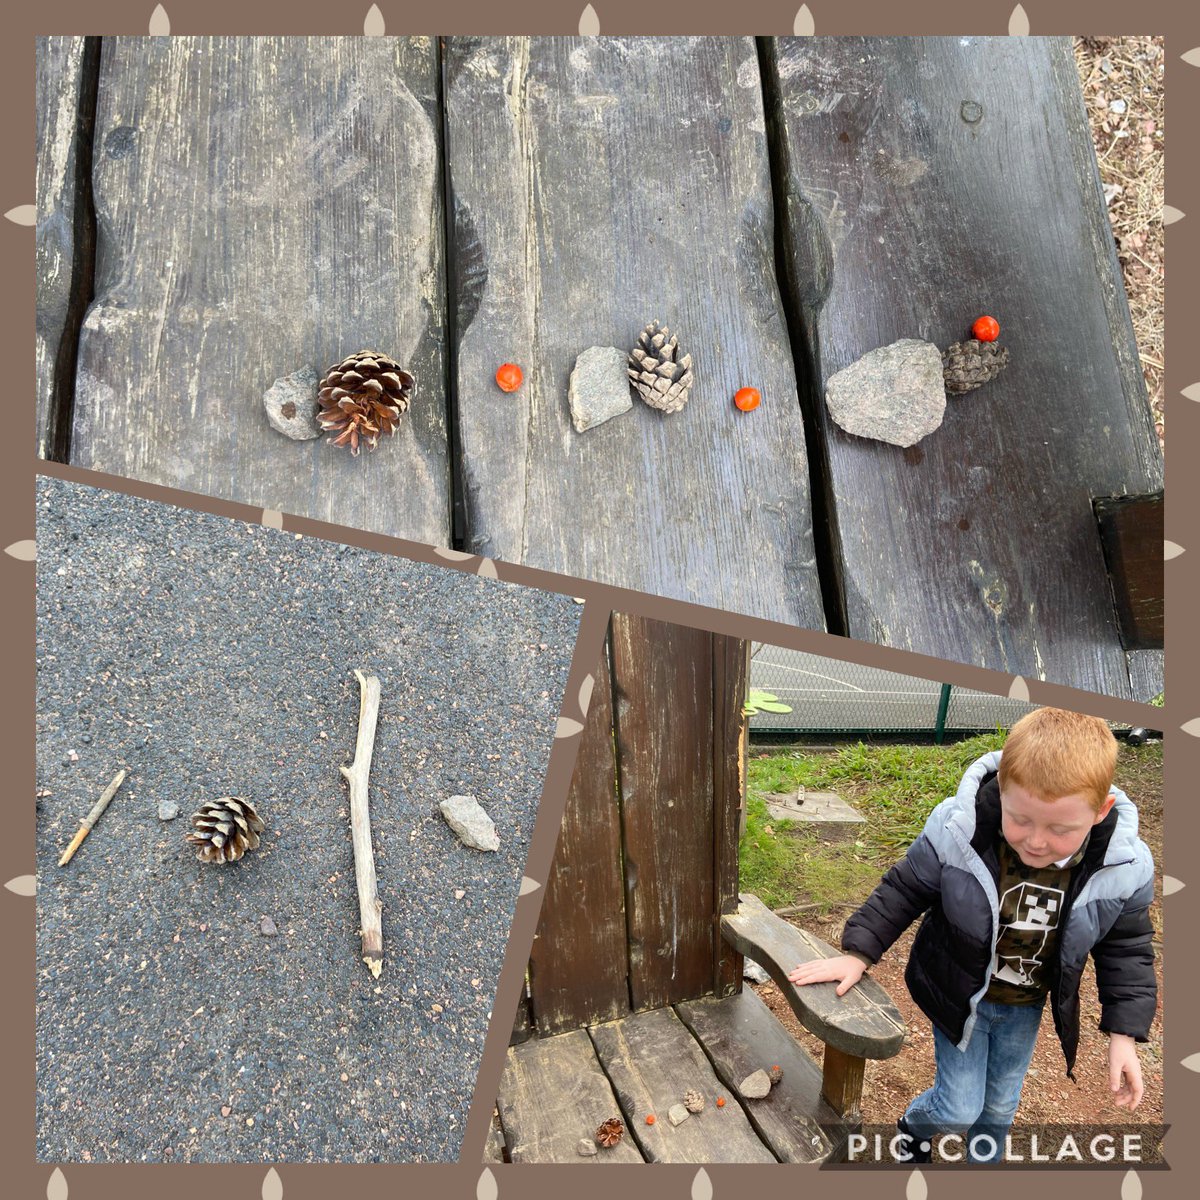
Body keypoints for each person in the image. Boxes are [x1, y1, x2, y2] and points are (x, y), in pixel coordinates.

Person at [788, 708, 1157, 1164]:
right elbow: (905, 888)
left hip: (1024, 1004)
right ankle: (913, 1126)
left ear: (1100, 812)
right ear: (1002, 789)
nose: (1037, 841)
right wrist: (859, 951)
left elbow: (1127, 949)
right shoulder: (958, 829)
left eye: (1060, 830)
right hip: (959, 992)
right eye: (1020, 819)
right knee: (960, 1109)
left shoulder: (1123, 867)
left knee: (1000, 1109)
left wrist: (1123, 1032)